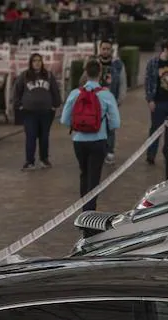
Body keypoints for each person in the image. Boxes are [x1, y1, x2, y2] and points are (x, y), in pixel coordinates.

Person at [60, 59, 121, 211]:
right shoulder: (106, 95)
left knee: (84, 174)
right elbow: (115, 123)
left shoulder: (75, 93)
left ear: (85, 73)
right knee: (94, 178)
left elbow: (64, 120)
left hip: (79, 140)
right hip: (98, 140)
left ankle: (84, 210)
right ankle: (89, 213)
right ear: (100, 73)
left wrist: (79, 125)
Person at [13, 53, 61, 171]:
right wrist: (18, 105)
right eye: (34, 61)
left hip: (46, 112)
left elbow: (55, 90)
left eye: (39, 60)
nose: (37, 63)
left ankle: (44, 159)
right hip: (29, 112)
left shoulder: (48, 75)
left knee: (44, 136)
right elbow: (17, 91)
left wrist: (55, 105)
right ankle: (30, 161)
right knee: (31, 136)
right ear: (31, 62)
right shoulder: (24, 76)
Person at [80, 39, 124, 164]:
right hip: (93, 102)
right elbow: (83, 81)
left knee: (111, 127)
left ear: (111, 50)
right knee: (94, 126)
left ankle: (109, 151)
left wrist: (119, 100)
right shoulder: (93, 62)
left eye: (107, 49)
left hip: (111, 101)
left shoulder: (118, 64)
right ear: (100, 49)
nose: (105, 51)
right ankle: (96, 151)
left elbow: (122, 83)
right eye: (103, 48)